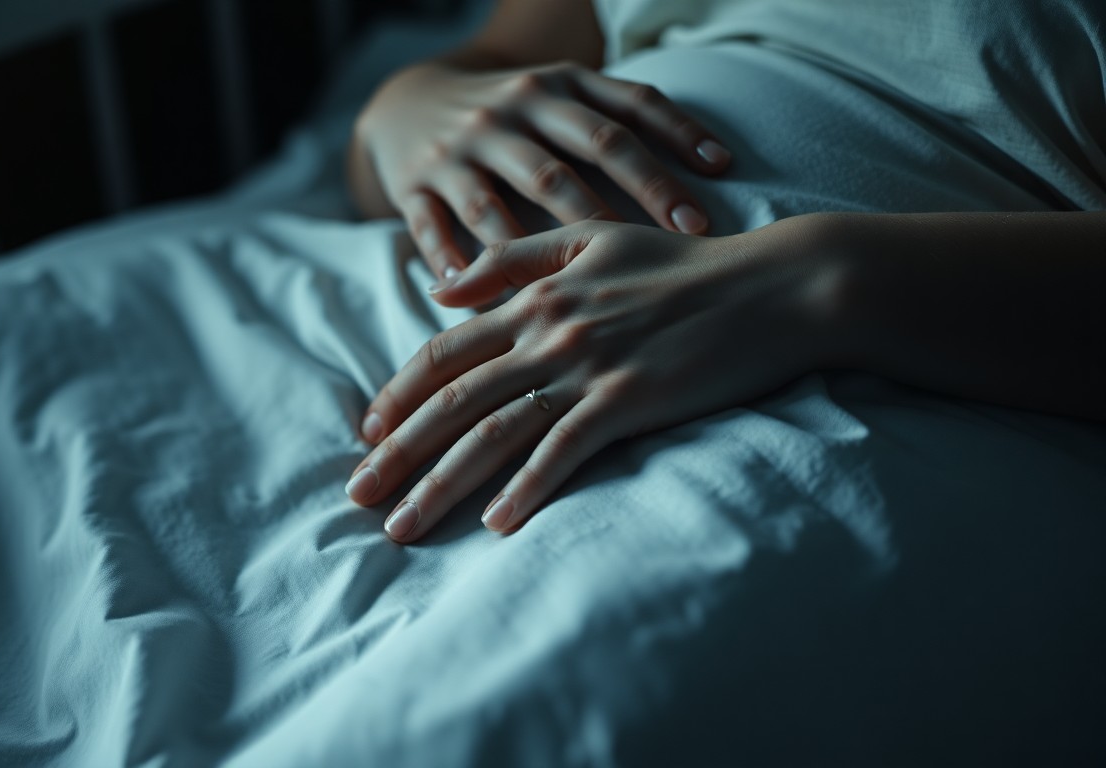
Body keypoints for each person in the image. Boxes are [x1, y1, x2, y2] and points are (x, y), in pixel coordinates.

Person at [342, 0, 1106, 543]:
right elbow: (472, 75)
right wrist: (406, 105)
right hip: (366, 319)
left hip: (824, 403)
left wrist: (812, 281)